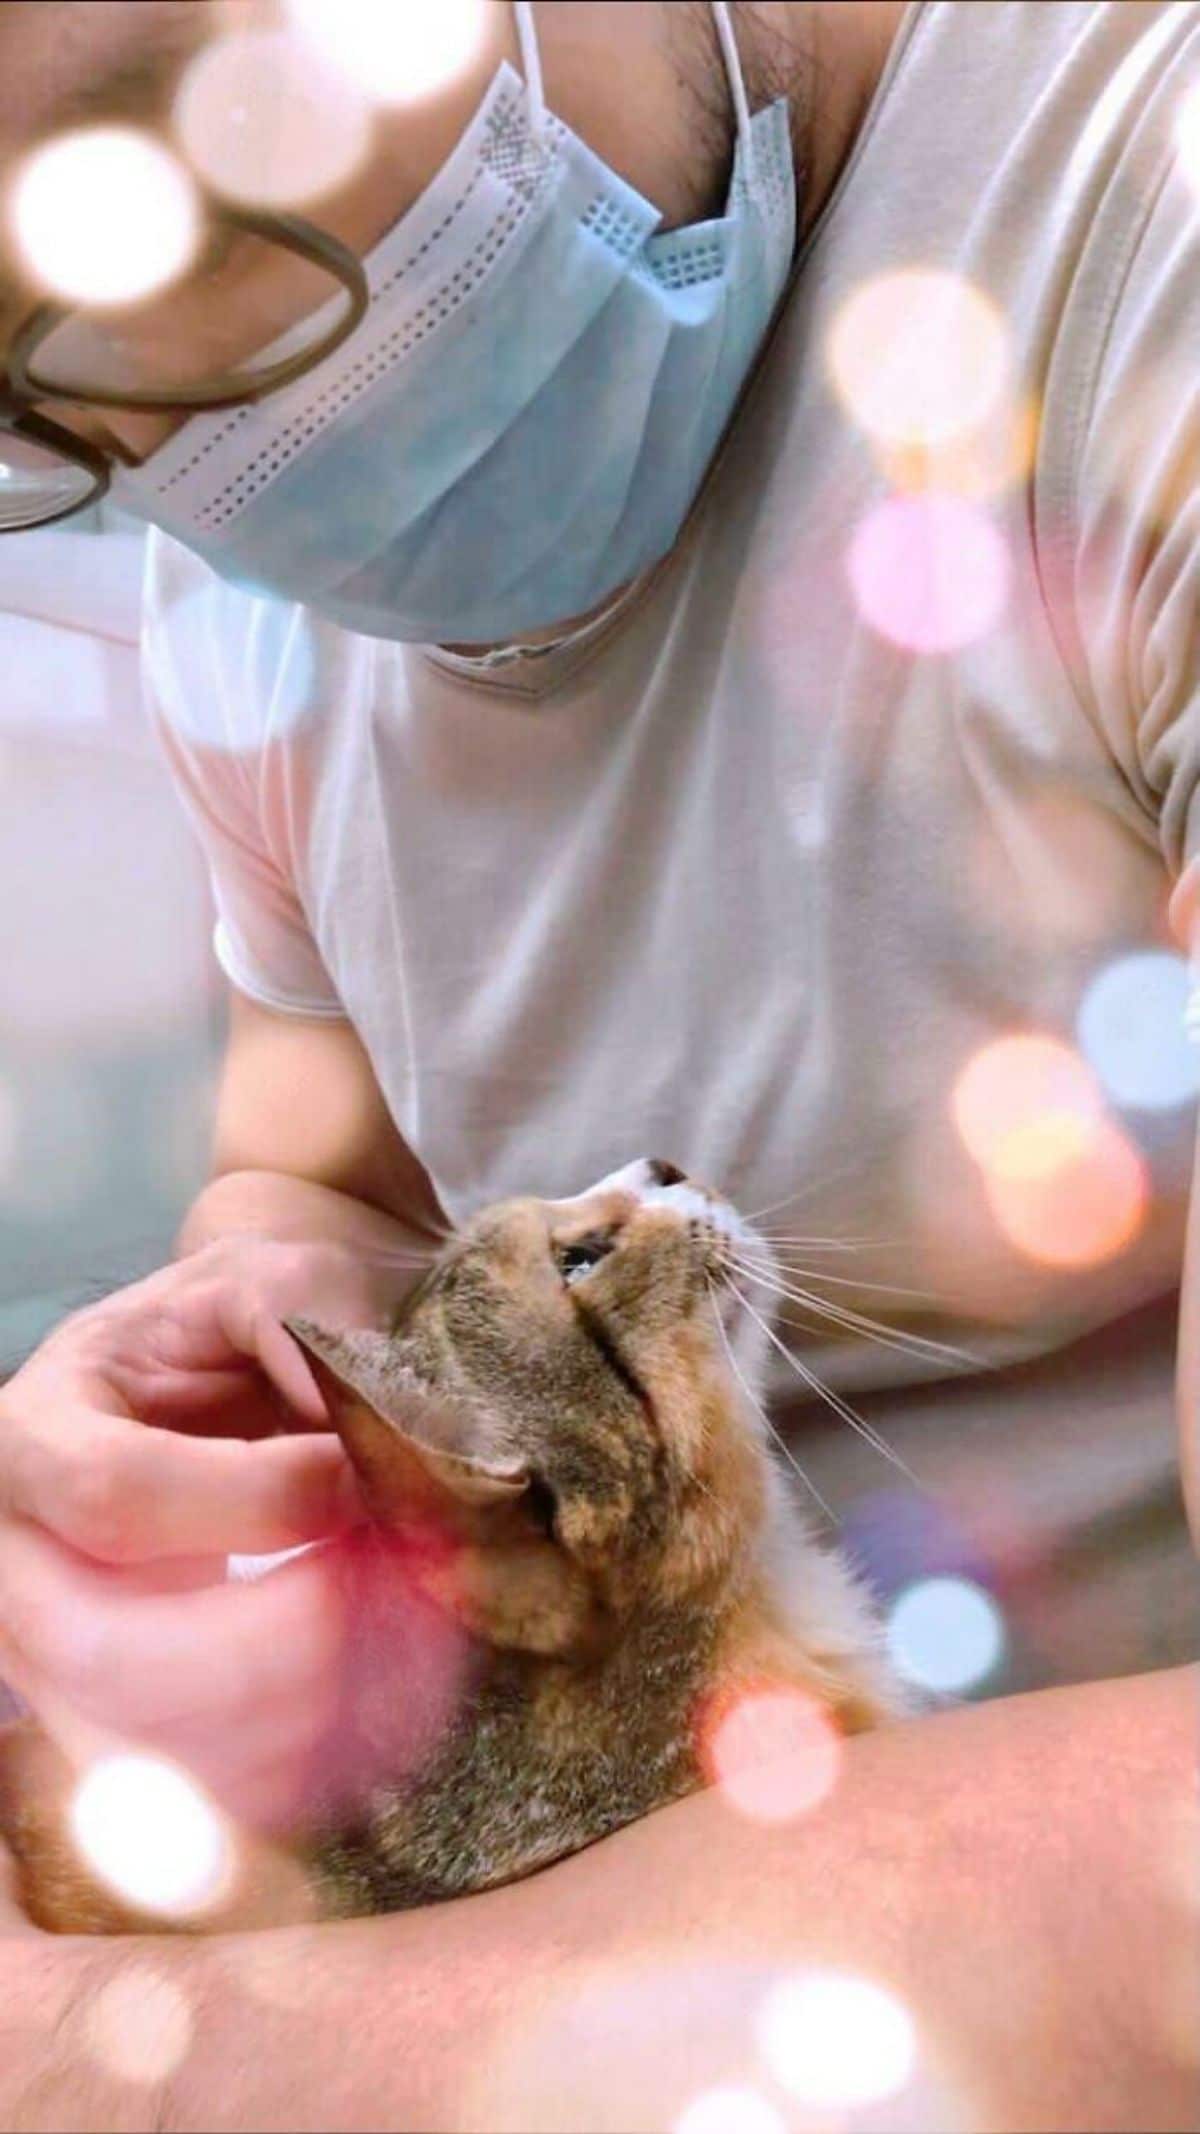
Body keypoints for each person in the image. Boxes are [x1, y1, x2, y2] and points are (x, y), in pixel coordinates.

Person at [0, 2, 1196, 2126]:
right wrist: (237, 1349)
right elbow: (333, 1189)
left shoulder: (1135, 228)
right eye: (24, 367)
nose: (179, 416)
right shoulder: (250, 610)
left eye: (184, 160)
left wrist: (116, 2065)